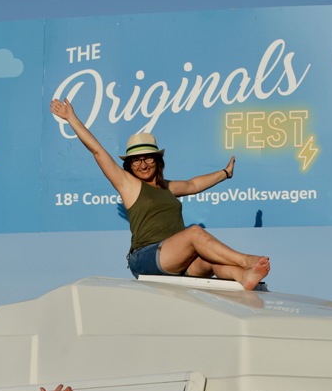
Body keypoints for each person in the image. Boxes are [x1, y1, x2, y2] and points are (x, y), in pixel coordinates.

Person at [50, 97, 269, 290]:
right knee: (195, 233)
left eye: (148, 158)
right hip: (145, 258)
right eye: (136, 160)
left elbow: (193, 185)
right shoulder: (128, 185)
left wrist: (225, 173)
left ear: (157, 160)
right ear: (129, 165)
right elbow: (98, 151)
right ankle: (246, 261)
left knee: (211, 260)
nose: (143, 164)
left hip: (174, 260)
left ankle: (244, 276)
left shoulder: (167, 188)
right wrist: (71, 118)